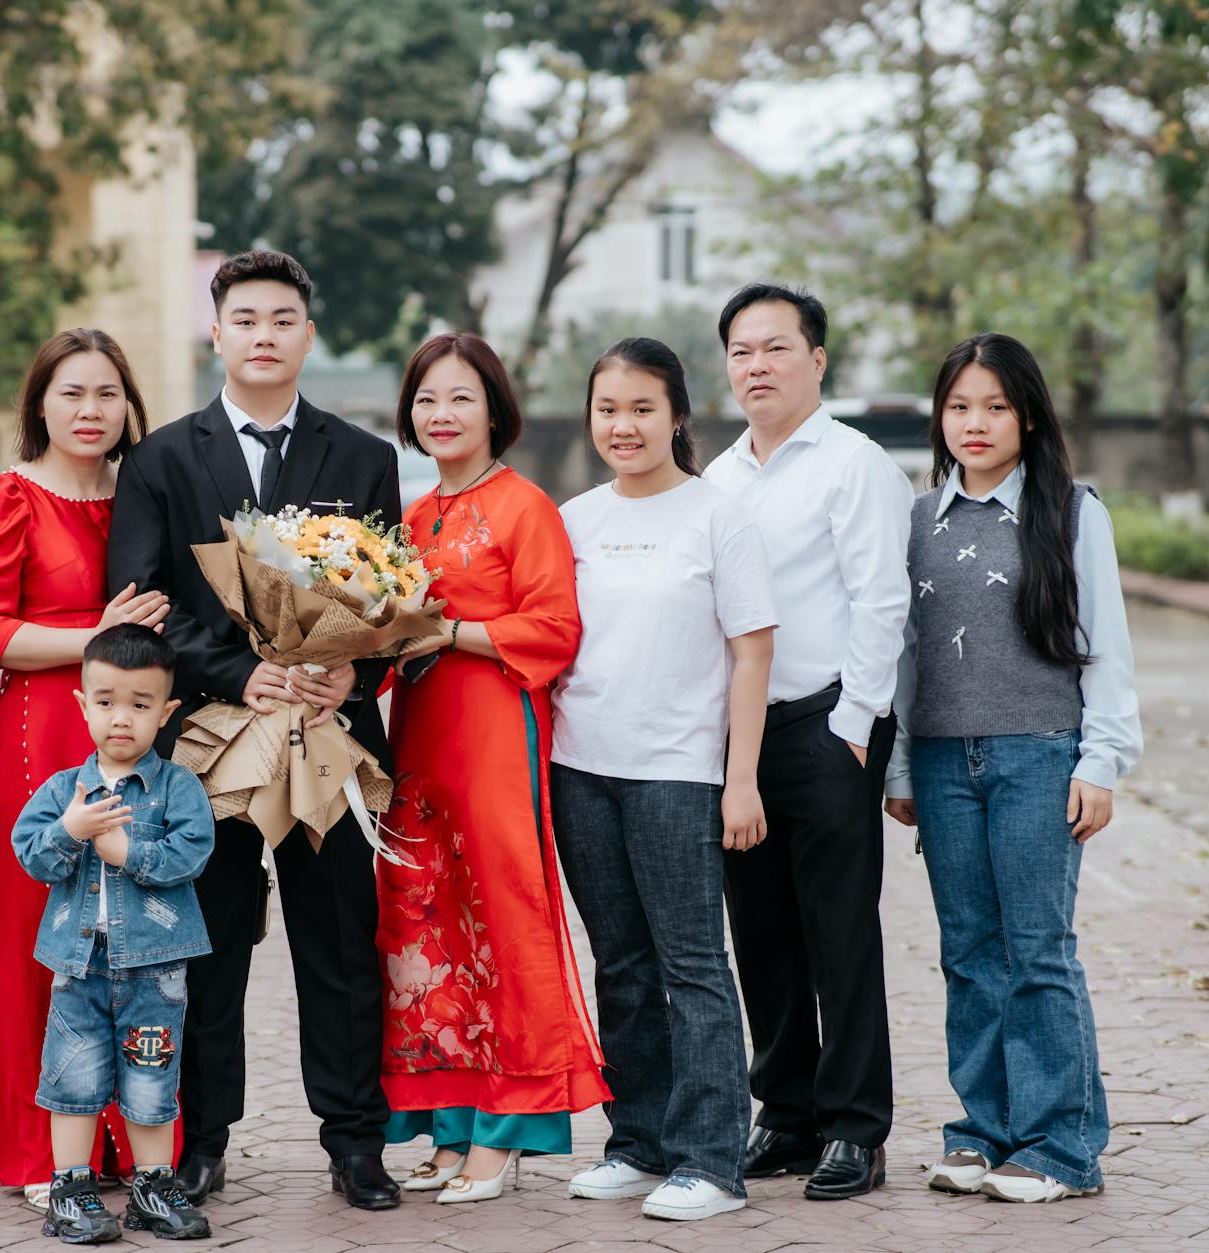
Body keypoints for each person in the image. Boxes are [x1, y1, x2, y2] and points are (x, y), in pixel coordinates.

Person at [105, 249, 404, 1210]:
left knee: (343, 945)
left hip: (329, 739)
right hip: (208, 746)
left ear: (307, 333)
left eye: (283, 319)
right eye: (246, 320)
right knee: (209, 946)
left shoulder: (364, 458)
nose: (264, 335)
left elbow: (393, 600)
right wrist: (244, 670)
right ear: (218, 331)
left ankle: (356, 1142)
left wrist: (358, 666)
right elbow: (144, 600)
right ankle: (202, 1141)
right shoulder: (161, 458)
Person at [884, 333, 1140, 1204]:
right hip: (945, 757)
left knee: (1038, 950)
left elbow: (1106, 647)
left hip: (1041, 754)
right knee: (969, 952)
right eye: (959, 406)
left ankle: (1062, 1145)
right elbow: (908, 655)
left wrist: (1100, 760)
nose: (976, 423)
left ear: (1028, 415)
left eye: (995, 405)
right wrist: (902, 769)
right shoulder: (920, 519)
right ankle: (984, 1131)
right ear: (939, 419)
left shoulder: (1072, 511)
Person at [0, 329, 173, 1209]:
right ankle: (38, 1149)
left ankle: (122, 1136)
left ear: (128, 407)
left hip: (140, 737)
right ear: (39, 403)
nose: (90, 411)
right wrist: (101, 643)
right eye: (71, 393)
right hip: (44, 731)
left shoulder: (147, 496)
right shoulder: (5, 498)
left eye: (107, 394)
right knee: (43, 933)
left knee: (132, 937)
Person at [374, 332, 609, 1206]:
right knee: (422, 919)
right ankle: (449, 1118)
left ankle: (508, 1131)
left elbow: (553, 630)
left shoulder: (525, 507)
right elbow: (389, 635)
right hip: (421, 736)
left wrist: (453, 633)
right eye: (428, 399)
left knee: (501, 912)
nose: (442, 414)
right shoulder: (414, 518)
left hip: (497, 729)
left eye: (460, 398)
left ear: (494, 409)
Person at [549, 338, 776, 1222]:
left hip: (678, 771)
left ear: (677, 415)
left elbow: (751, 650)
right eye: (609, 408)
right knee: (622, 965)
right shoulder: (574, 519)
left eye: (642, 407)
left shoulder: (717, 516)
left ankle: (711, 1160)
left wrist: (741, 778)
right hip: (582, 768)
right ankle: (638, 1141)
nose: (624, 425)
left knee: (693, 967)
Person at [701, 283, 912, 1200]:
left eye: (776, 348)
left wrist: (853, 726)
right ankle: (785, 1114)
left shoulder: (855, 464)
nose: (757, 366)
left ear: (816, 361)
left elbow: (882, 600)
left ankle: (855, 1128)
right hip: (741, 737)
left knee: (838, 931)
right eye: (742, 351)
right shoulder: (716, 477)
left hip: (829, 726)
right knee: (762, 931)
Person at [11, 624, 216, 1243]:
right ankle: (70, 1190)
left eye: (140, 704)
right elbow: (32, 857)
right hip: (79, 967)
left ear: (167, 711)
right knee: (73, 1077)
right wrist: (69, 830)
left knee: (152, 1074)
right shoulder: (62, 791)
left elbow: (194, 853)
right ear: (83, 704)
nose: (120, 718)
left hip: (156, 968)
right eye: (105, 702)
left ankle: (153, 1185)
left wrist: (130, 853)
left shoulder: (178, 788)